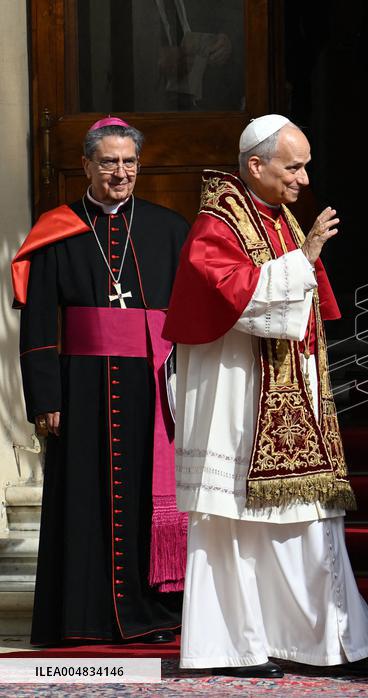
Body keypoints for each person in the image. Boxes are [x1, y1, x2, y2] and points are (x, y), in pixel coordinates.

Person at [163, 115, 368, 679]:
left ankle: (330, 645)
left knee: (308, 521)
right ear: (256, 166)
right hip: (236, 406)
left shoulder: (280, 218)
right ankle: (232, 649)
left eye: (306, 164)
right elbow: (237, 301)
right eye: (293, 166)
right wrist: (305, 255)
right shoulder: (217, 224)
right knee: (234, 525)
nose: (304, 177)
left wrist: (300, 254)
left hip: (290, 396)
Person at [13, 117, 187, 645]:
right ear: (86, 165)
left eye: (129, 162)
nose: (120, 172)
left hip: (150, 386)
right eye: (108, 162)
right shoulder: (57, 230)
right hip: (82, 388)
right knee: (83, 499)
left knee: (143, 496)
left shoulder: (168, 228)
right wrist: (46, 396)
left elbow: (187, 316)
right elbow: (39, 320)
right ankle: (81, 616)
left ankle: (152, 615)